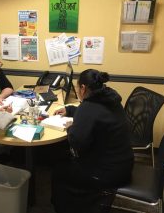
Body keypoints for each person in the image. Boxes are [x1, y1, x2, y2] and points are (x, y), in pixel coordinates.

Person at [51, 69, 134, 213]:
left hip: (107, 174)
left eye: (77, 88)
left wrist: (71, 128)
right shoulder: (110, 99)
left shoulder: (88, 107)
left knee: (58, 170)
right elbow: (98, 116)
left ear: (83, 88)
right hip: (124, 164)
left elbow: (77, 144)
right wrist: (70, 110)